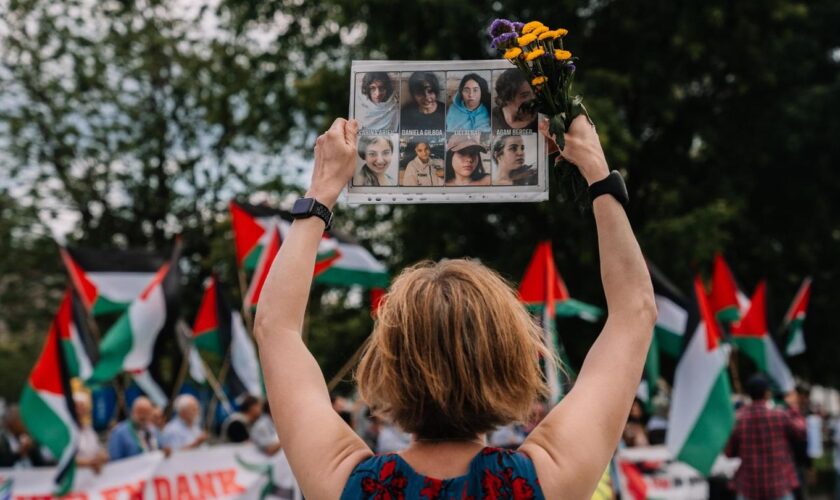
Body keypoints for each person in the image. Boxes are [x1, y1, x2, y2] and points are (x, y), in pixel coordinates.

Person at [253, 115, 656, 499]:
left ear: (388, 363)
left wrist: (321, 193)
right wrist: (598, 174)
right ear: (511, 357)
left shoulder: (348, 484)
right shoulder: (545, 479)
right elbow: (633, 314)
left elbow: (276, 328)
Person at [726, 374, 806, 500]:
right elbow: (801, 431)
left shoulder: (738, 419)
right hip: (778, 486)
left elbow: (729, 453)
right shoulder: (779, 416)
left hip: (749, 487)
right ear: (766, 393)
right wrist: (793, 407)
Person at [107, 396, 164, 461]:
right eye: (140, 412)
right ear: (133, 412)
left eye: (146, 413)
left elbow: (161, 447)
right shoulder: (119, 433)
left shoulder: (153, 430)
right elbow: (115, 461)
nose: (143, 416)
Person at [74, 393, 108, 471]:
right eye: (78, 408)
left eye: (83, 408)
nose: (80, 411)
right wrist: (89, 463)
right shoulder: (66, 432)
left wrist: (102, 456)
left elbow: (100, 450)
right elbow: (62, 459)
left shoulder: (89, 429)